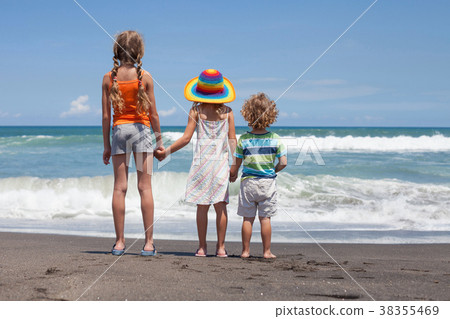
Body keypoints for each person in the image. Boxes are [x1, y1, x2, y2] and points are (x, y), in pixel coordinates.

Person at [155, 69, 236, 257]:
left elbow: (185, 138)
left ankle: (202, 247)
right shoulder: (228, 112)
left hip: (202, 164)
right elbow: (232, 140)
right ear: (220, 92)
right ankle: (221, 248)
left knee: (202, 206)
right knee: (221, 205)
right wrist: (236, 164)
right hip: (221, 164)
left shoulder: (196, 110)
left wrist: (166, 152)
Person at [101, 30, 163, 256]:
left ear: (117, 51)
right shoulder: (144, 77)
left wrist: (107, 145)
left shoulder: (109, 77)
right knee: (145, 187)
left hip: (119, 132)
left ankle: (119, 242)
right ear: (139, 52)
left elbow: (106, 117)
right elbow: (153, 114)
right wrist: (159, 141)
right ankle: (148, 243)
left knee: (120, 187)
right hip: (142, 132)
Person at [230, 93, 287, 258]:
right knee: (265, 218)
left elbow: (237, 163)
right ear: (271, 115)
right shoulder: (275, 139)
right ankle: (266, 251)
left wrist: (232, 174)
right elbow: (283, 162)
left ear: (248, 114)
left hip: (248, 183)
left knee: (247, 219)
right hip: (267, 183)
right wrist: (273, 170)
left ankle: (245, 251)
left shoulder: (244, 139)